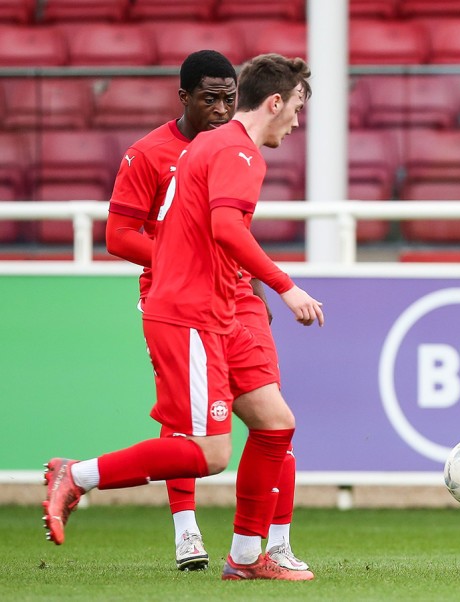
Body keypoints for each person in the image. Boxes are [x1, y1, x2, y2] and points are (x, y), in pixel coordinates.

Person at [43, 53, 322, 582]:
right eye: (298, 109)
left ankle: (247, 556)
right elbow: (225, 229)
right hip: (189, 311)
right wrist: (286, 286)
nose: (297, 122)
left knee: (275, 422)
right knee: (208, 453)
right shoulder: (236, 153)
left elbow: (196, 230)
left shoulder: (211, 145)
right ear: (277, 101)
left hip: (216, 305)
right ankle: (76, 474)